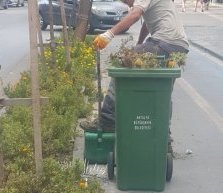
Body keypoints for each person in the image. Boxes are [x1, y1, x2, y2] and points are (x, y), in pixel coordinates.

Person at [80, 0, 189, 147]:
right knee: (163, 88)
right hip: (179, 45)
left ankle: (107, 119)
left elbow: (135, 15)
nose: (129, 5)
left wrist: (109, 34)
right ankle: (165, 136)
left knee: (123, 65)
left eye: (127, 1)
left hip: (164, 42)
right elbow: (147, 24)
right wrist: (139, 43)